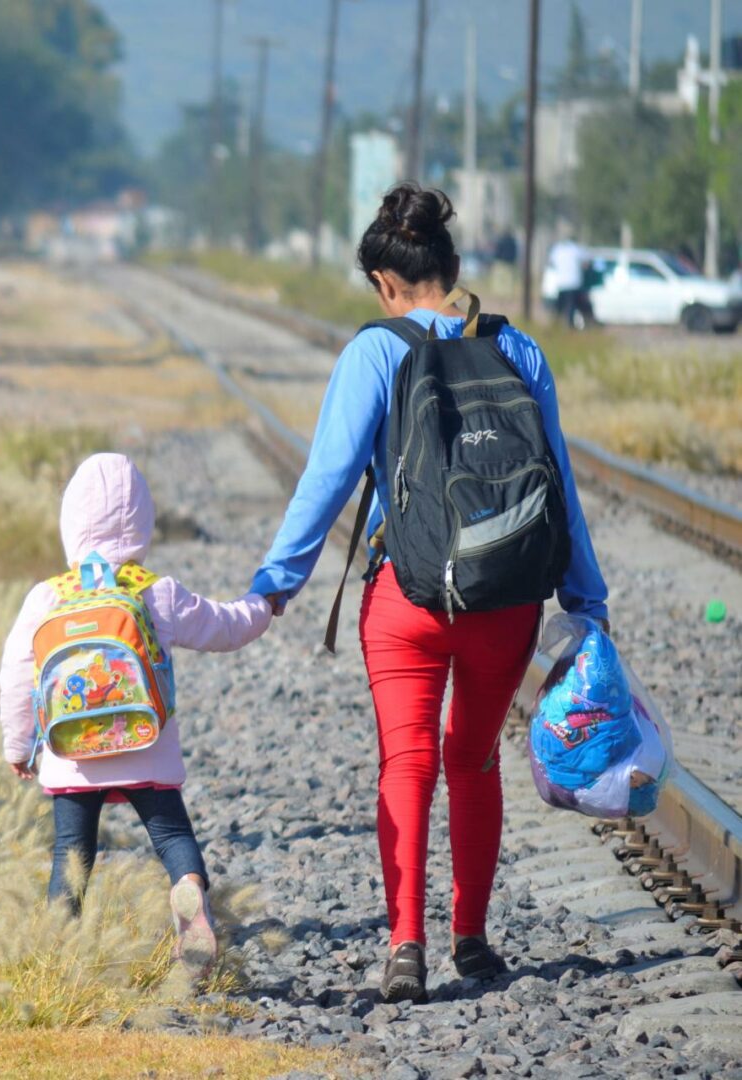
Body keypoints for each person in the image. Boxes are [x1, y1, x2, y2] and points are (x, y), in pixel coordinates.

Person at [251, 184, 609, 1003]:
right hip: (506, 599)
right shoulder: (519, 352)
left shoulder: (375, 352)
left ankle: (405, 945)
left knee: (406, 763)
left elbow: (329, 479)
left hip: (407, 599)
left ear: (384, 281)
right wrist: (585, 598)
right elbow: (560, 485)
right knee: (475, 761)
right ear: (452, 269)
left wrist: (277, 583)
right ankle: (472, 938)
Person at [0, 453, 272, 976]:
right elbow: (226, 628)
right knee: (171, 837)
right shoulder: (155, 591)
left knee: (71, 854)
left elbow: (15, 675)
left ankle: (59, 954)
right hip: (146, 747)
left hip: (71, 755)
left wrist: (17, 746)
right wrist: (264, 603)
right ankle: (189, 891)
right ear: (143, 522)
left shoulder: (46, 598)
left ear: (70, 523)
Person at [546, 234, 591, 330]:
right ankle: (571, 327)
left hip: (562, 284)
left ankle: (556, 326)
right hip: (574, 283)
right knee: (572, 308)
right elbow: (586, 264)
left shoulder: (557, 250)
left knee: (560, 309)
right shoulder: (576, 249)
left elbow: (551, 263)